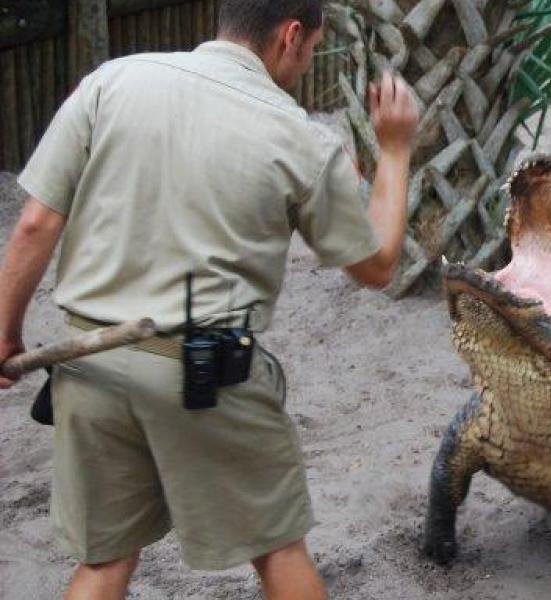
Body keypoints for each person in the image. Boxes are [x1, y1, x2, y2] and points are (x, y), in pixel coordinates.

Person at [0, 0, 419, 598]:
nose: (306, 64)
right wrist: (396, 151)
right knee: (278, 550)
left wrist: (5, 332)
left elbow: (35, 224)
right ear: (291, 35)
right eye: (310, 50)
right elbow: (377, 265)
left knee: (104, 562)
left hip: (88, 365)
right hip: (204, 376)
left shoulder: (112, 82)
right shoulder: (300, 137)